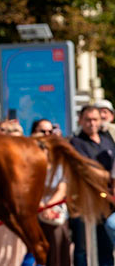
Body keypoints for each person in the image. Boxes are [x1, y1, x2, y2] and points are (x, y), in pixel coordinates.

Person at [70, 105, 115, 266]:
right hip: (87, 200)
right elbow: (85, 171)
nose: (92, 123)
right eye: (88, 120)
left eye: (95, 119)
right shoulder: (75, 143)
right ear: (81, 121)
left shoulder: (106, 140)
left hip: (108, 200)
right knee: (83, 247)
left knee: (106, 244)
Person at [22, 119, 70, 266]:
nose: (47, 134)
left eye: (50, 131)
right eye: (43, 131)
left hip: (54, 208)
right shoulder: (26, 158)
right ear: (33, 133)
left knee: (59, 233)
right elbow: (26, 187)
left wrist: (49, 207)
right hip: (32, 209)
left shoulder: (58, 158)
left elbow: (62, 188)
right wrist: (41, 206)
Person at [0, 120, 26, 266]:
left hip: (22, 210)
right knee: (1, 253)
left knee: (18, 251)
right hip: (1, 209)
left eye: (17, 132)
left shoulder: (28, 156)